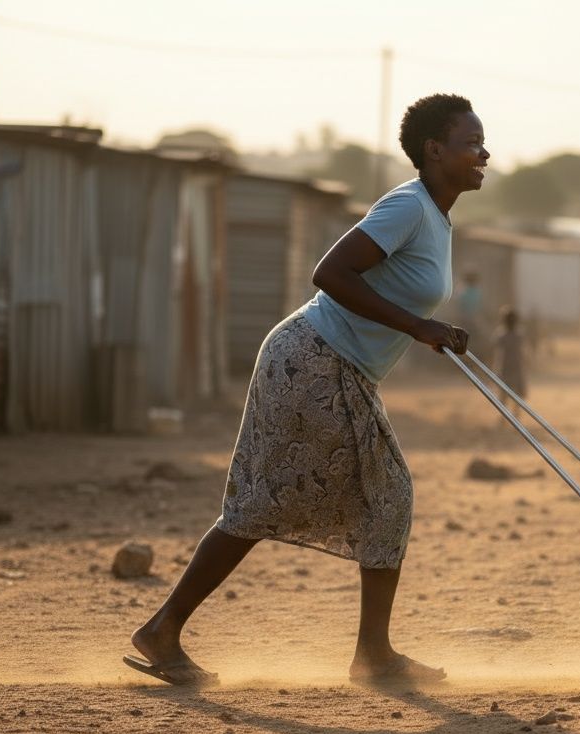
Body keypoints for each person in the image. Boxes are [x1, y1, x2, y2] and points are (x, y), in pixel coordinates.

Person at [124, 93, 488, 687]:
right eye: (471, 144)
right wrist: (417, 326)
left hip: (342, 367)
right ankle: (167, 630)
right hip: (312, 359)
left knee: (371, 496)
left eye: (481, 143)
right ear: (434, 150)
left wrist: (428, 329)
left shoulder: (437, 217)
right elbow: (328, 273)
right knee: (283, 500)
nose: (483, 153)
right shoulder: (408, 206)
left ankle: (371, 654)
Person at [492, 305, 528, 417]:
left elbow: (496, 352)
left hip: (509, 366)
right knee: (511, 393)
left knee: (506, 393)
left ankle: (509, 416)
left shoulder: (502, 334)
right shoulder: (517, 334)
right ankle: (512, 415)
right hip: (511, 366)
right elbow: (524, 352)